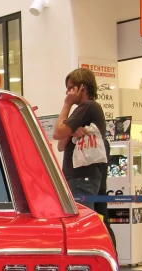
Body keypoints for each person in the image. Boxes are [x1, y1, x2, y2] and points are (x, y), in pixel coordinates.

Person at [52, 68, 109, 211]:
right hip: (79, 177)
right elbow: (61, 145)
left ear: (82, 87)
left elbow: (57, 133)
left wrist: (67, 104)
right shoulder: (84, 110)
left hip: (82, 177)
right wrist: (71, 132)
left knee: (81, 223)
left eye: (71, 88)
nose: (68, 93)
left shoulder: (88, 106)